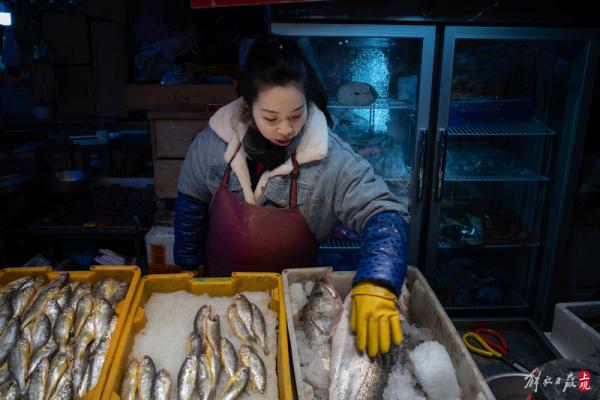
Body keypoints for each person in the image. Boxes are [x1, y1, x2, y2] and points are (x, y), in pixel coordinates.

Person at [174, 34, 409, 358]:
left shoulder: (331, 160)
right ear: (247, 104)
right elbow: (191, 204)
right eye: (270, 117)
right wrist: (187, 270)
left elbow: (384, 214)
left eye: (296, 115)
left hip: (296, 308)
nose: (285, 128)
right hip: (220, 302)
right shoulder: (212, 146)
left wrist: (380, 280)